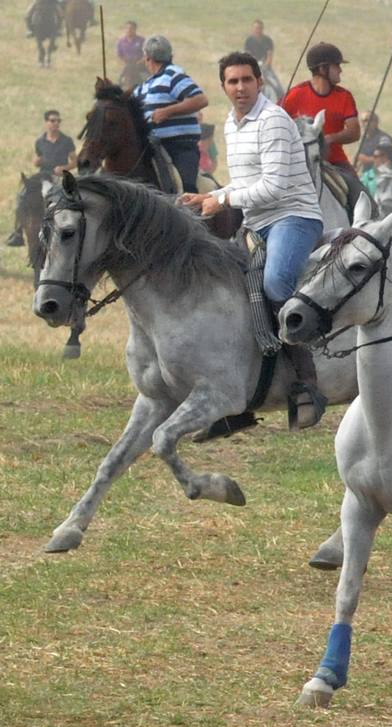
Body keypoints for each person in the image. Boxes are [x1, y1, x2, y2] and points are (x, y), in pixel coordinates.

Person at [180, 51, 323, 434]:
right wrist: (208, 197)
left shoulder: (273, 120)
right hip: (257, 222)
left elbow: (275, 186)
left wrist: (222, 200)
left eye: (246, 79)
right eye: (232, 81)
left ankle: (306, 381)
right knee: (228, 292)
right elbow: (246, 183)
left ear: (260, 82)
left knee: (276, 283)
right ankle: (238, 394)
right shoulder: (231, 122)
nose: (240, 87)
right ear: (223, 87)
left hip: (294, 216)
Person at [131, 36, 209, 193]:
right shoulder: (144, 86)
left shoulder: (174, 75)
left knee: (186, 189)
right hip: (152, 148)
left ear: (147, 57)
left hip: (179, 146)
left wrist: (167, 112)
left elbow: (200, 100)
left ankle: (193, 216)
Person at [281, 42, 360, 171]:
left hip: (336, 163)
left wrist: (330, 138)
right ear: (323, 69)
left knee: (360, 190)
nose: (340, 70)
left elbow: (355, 132)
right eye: (337, 66)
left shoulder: (345, 96)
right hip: (299, 163)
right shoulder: (294, 95)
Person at [8, 109, 73, 245]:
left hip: (58, 176)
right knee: (22, 195)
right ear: (46, 123)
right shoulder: (40, 141)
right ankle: (18, 232)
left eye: (58, 121)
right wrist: (36, 161)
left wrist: (64, 168)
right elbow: (37, 158)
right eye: (53, 120)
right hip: (43, 175)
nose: (56, 123)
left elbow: (75, 161)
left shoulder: (67, 141)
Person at [115, 21, 144, 88]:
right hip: (127, 64)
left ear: (135, 29)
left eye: (131, 28)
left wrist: (140, 62)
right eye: (127, 28)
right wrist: (123, 62)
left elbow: (146, 54)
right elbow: (119, 55)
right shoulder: (121, 41)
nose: (129, 30)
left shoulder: (141, 40)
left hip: (139, 64)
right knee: (122, 78)